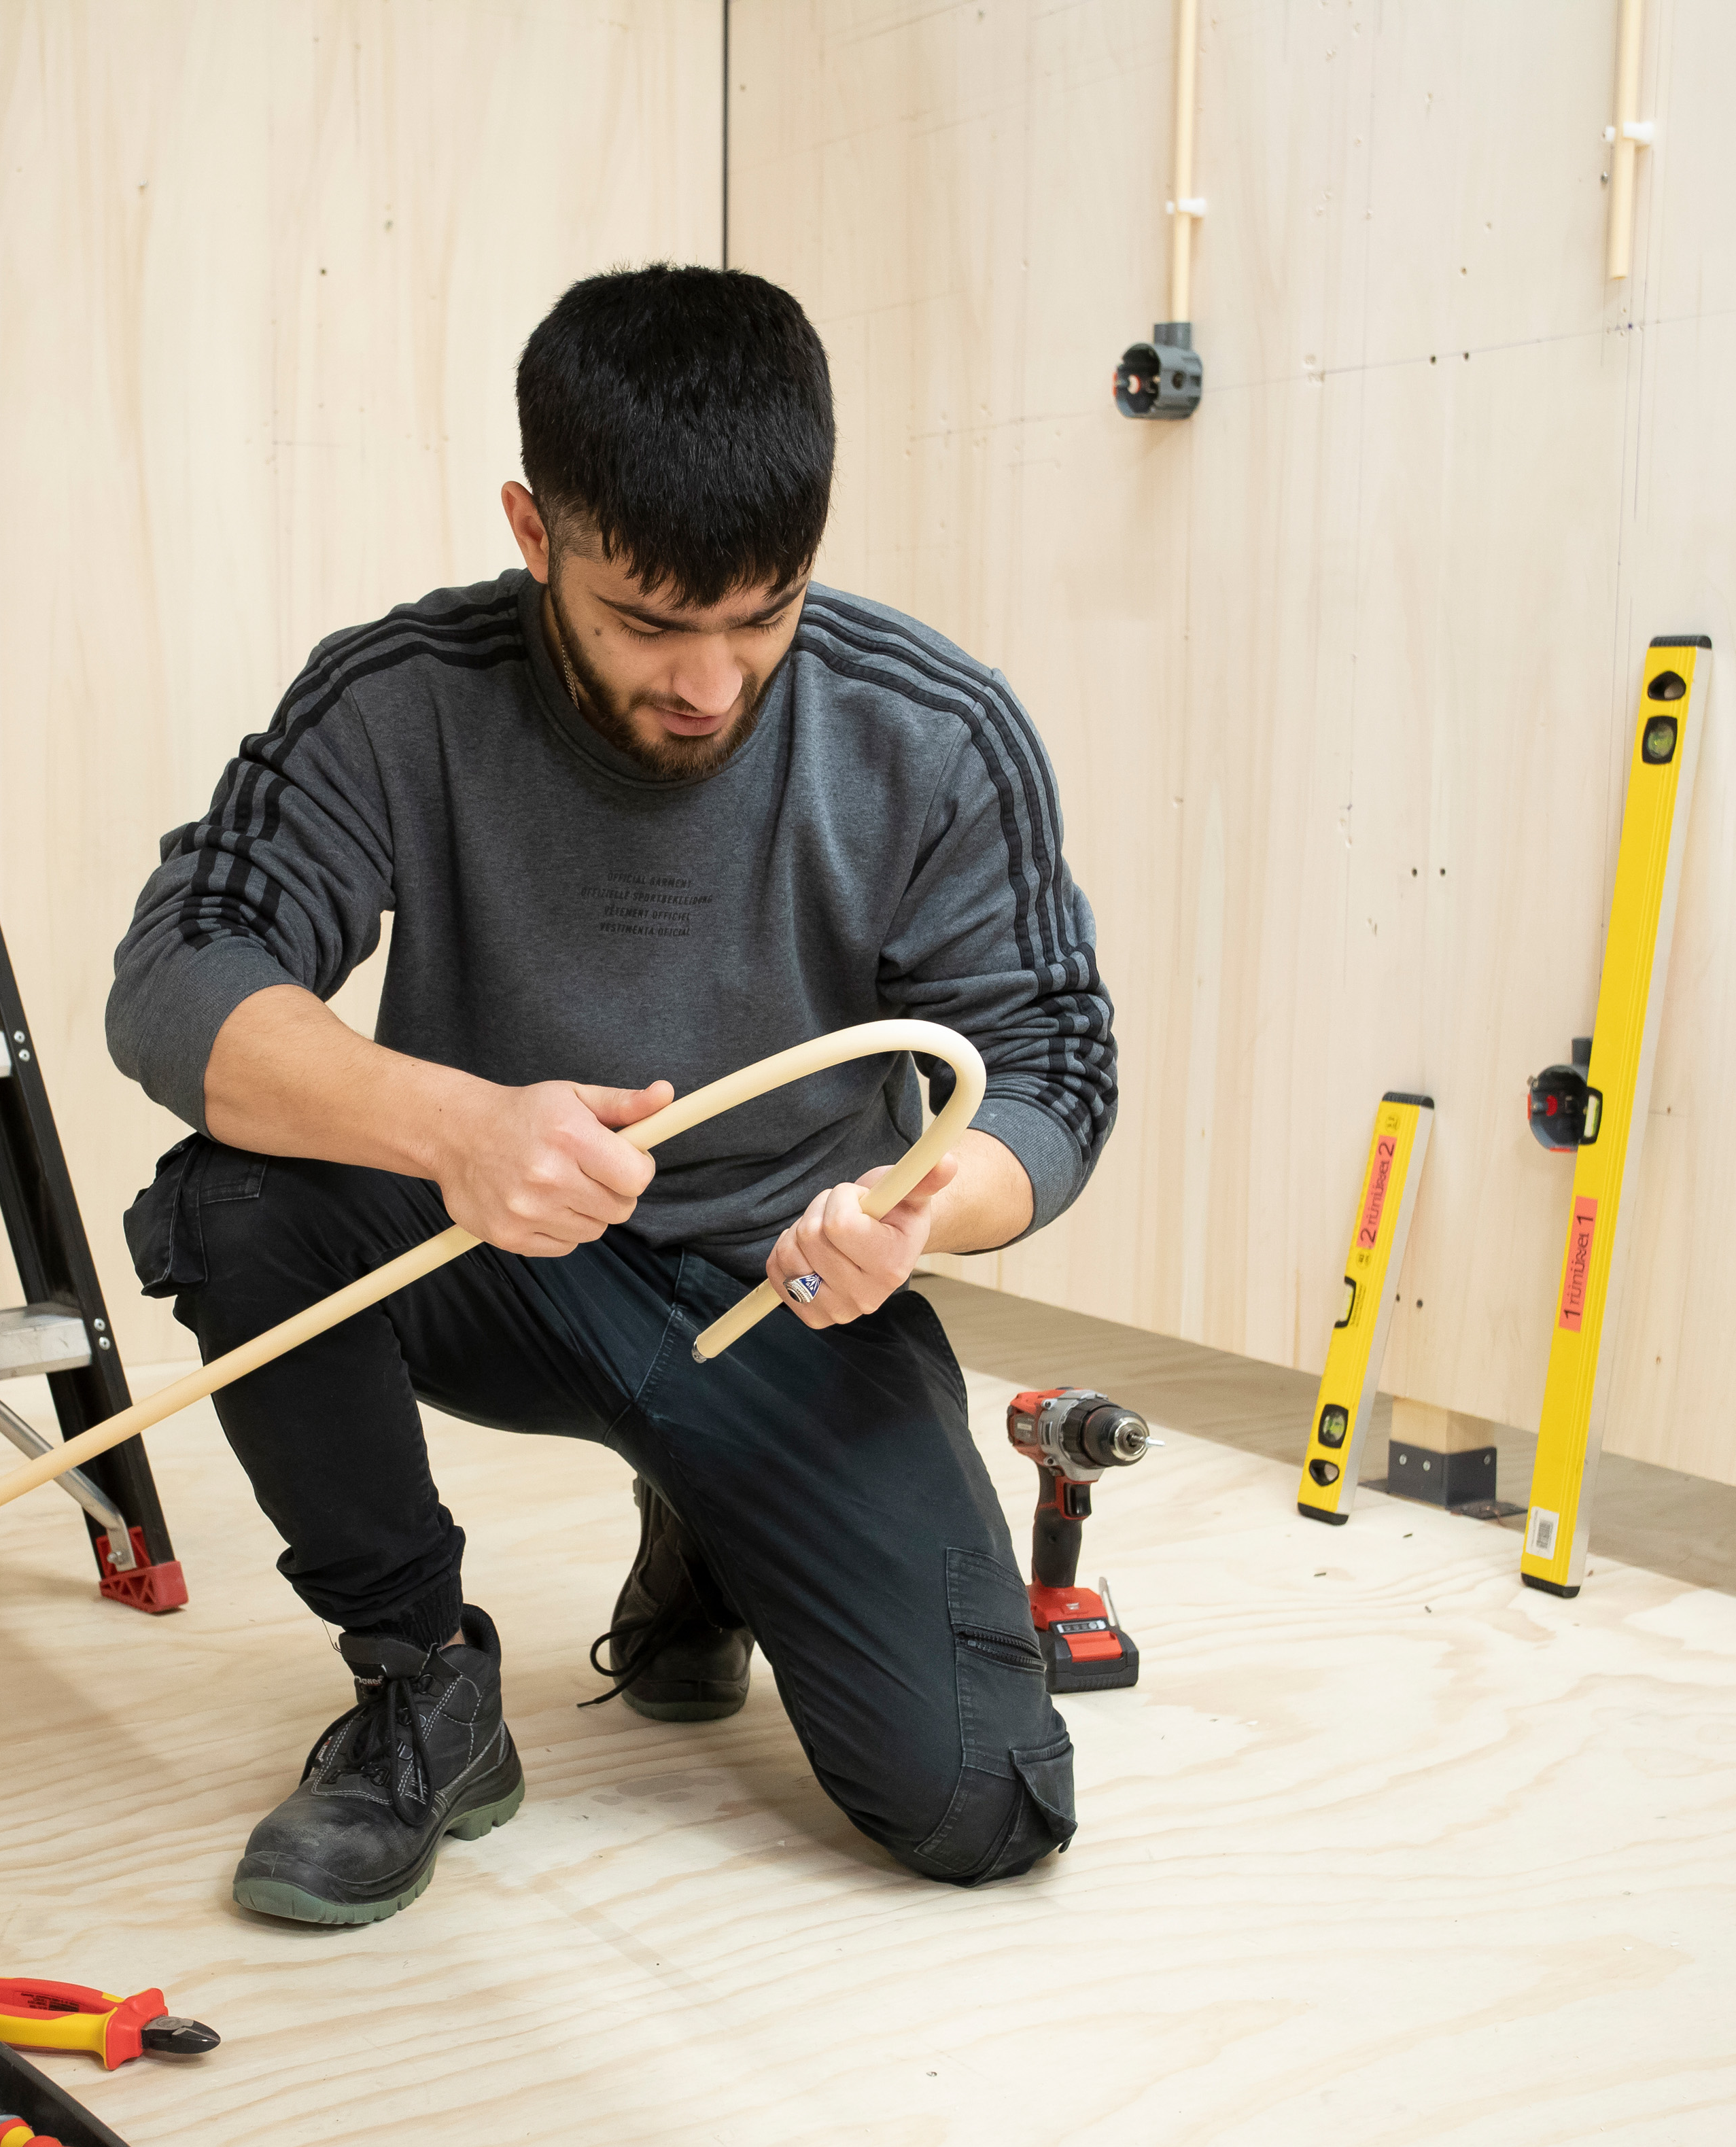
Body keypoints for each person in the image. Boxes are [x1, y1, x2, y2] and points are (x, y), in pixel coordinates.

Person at [105, 264, 1116, 1925]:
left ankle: (709, 1529)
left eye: (761, 616)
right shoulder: (399, 695)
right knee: (236, 1198)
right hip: (495, 1258)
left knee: (977, 1807)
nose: (709, 681)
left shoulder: (930, 731)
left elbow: (1053, 1057)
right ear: (533, 530)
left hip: (788, 1299)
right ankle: (421, 1678)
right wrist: (455, 1125)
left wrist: (923, 1208)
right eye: (647, 621)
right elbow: (178, 973)